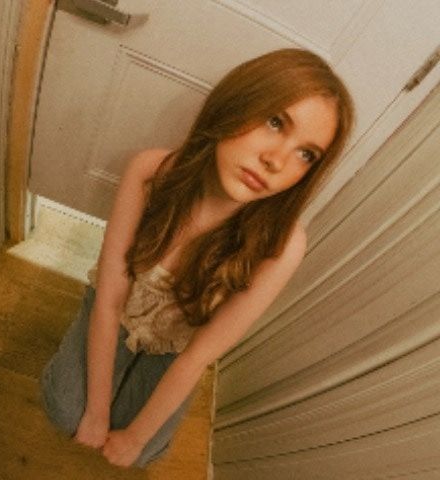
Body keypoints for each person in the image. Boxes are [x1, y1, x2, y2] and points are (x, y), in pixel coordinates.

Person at [40, 48, 354, 469]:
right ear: (237, 102)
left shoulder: (281, 245)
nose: (276, 161)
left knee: (146, 451)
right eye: (275, 122)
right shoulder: (152, 173)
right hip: (116, 311)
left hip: (174, 346)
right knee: (65, 410)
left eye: (306, 154)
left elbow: (198, 356)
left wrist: (134, 438)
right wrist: (96, 413)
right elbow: (111, 299)